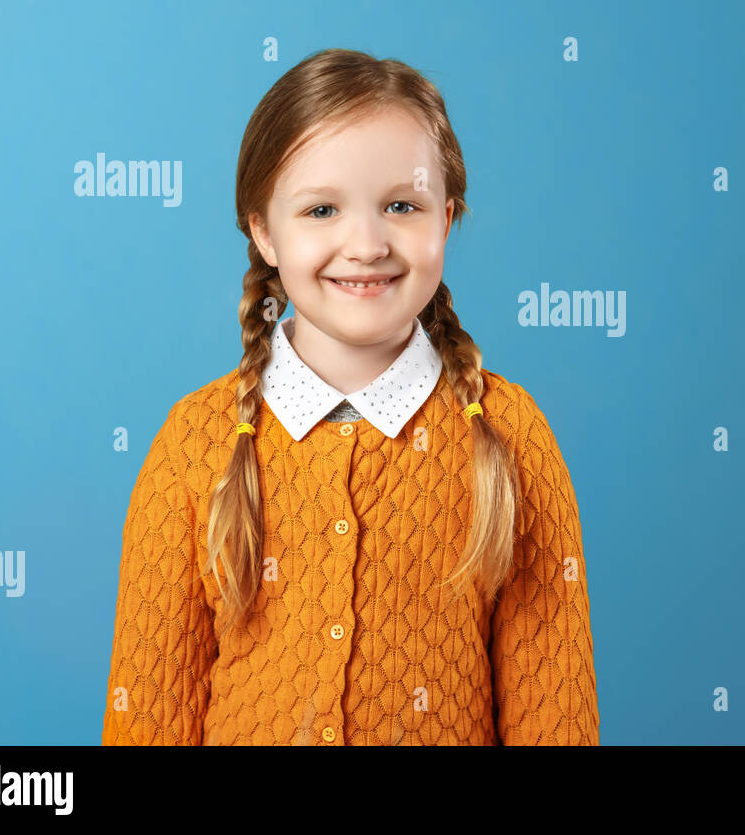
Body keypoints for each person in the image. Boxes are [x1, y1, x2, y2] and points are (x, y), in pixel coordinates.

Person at [101, 49, 598, 745]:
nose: (365, 244)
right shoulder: (193, 442)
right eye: (322, 209)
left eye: (402, 205)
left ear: (446, 219)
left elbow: (557, 719)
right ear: (264, 231)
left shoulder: (509, 434)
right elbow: (145, 718)